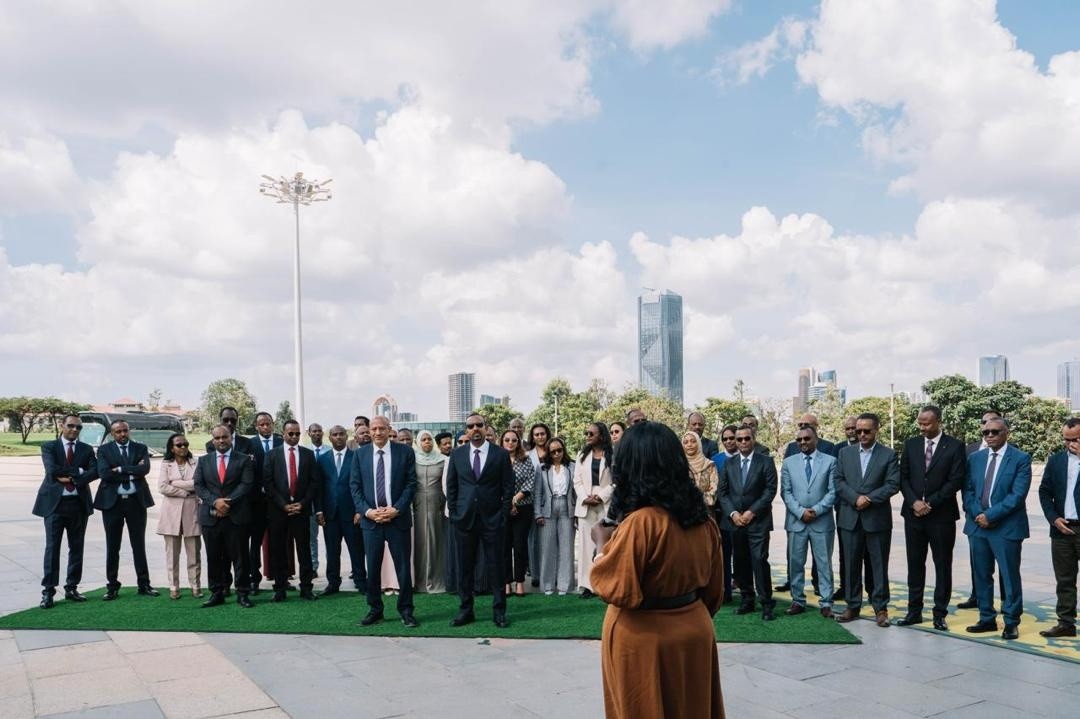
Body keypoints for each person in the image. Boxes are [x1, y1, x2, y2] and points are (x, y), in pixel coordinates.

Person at [590, 421, 726, 719]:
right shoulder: (703, 521)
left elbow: (615, 587)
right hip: (695, 631)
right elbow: (715, 593)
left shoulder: (641, 523)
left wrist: (601, 545)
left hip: (643, 640)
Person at [896, 405, 965, 630]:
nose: (922, 427)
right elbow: (903, 477)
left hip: (941, 517)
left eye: (926, 423)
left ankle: (939, 613)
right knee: (915, 564)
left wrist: (930, 503)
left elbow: (955, 480)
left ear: (938, 422)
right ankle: (914, 611)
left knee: (942, 565)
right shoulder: (911, 444)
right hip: (913, 515)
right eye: (920, 423)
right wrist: (914, 502)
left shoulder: (955, 446)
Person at [963, 417, 1031, 640]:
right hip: (977, 527)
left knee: (1009, 576)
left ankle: (1011, 621)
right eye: (986, 432)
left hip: (1006, 527)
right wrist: (978, 515)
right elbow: (968, 491)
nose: (990, 436)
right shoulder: (975, 458)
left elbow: (1017, 496)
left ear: (1006, 433)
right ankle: (986, 618)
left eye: (995, 432)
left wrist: (990, 516)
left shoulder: (1021, 458)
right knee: (981, 574)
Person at [446, 413, 514, 627]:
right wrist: (455, 513)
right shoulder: (457, 454)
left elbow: (508, 486)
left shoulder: (500, 454)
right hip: (464, 519)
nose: (475, 429)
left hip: (493, 519)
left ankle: (499, 611)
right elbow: (451, 486)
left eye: (479, 425)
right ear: (466, 430)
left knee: (496, 567)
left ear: (485, 427)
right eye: (470, 426)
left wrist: (503, 514)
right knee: (465, 567)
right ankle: (466, 610)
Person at [351, 416, 419, 627]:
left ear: (389, 430)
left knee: (403, 569)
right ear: (369, 431)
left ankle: (406, 611)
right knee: (372, 568)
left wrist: (396, 509)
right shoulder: (360, 454)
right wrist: (368, 512)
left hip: (397, 520)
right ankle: (375, 609)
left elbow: (411, 484)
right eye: (374, 429)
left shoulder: (405, 452)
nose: (378, 432)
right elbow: (355, 487)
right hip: (372, 522)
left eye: (382, 428)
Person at [834, 413, 900, 627]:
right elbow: (838, 481)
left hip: (877, 519)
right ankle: (852, 606)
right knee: (851, 565)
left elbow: (893, 484)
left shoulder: (888, 454)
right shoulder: (844, 453)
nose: (861, 434)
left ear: (876, 430)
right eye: (858, 430)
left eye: (866, 431)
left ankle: (880, 608)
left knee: (879, 566)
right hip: (850, 518)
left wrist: (869, 499)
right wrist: (855, 498)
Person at [33, 414, 98, 608]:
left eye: (78, 427)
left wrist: (72, 476)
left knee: (77, 548)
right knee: (52, 548)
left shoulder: (86, 449)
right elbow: (52, 470)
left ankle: (72, 587)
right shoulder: (49, 447)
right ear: (62, 425)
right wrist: (80, 471)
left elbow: (95, 471)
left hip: (78, 504)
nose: (74, 430)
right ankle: (48, 591)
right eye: (71, 426)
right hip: (55, 505)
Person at [717, 425, 778, 620]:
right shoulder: (729, 463)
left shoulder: (766, 461)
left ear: (753, 439)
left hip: (758, 521)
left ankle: (766, 603)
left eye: (746, 438)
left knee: (759, 560)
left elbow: (770, 490)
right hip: (736, 523)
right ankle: (747, 599)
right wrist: (733, 513)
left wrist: (752, 512)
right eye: (739, 439)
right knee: (740, 561)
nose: (743, 442)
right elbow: (722, 492)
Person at [95, 420, 158, 600]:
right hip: (112, 504)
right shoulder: (104, 450)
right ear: (112, 434)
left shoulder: (140, 448)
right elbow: (104, 473)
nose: (122, 434)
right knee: (112, 545)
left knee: (138, 544)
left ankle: (144, 584)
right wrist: (133, 472)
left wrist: (120, 469)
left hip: (136, 502)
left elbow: (144, 469)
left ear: (129, 431)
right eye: (118, 432)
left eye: (125, 431)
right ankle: (112, 586)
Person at [194, 425, 256, 608]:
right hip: (211, 517)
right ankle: (217, 592)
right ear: (212, 440)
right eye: (217, 438)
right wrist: (215, 502)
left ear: (231, 438)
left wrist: (227, 502)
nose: (221, 440)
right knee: (213, 557)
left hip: (237, 516)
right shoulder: (203, 460)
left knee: (241, 557)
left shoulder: (244, 459)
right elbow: (198, 485)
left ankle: (243, 593)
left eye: (225, 437)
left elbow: (246, 484)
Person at [780, 426, 837, 617]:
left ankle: (826, 602)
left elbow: (833, 491)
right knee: (795, 563)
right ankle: (797, 600)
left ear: (816, 439)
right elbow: (786, 492)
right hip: (796, 522)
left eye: (806, 438)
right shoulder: (788, 463)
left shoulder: (830, 461)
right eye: (799, 440)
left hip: (822, 522)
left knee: (824, 564)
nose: (802, 442)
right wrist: (800, 512)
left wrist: (817, 510)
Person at [263, 420, 320, 601]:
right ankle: (280, 589)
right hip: (278, 511)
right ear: (283, 434)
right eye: (291, 433)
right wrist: (283, 505)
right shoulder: (272, 455)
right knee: (278, 551)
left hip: (301, 511)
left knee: (304, 551)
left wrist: (302, 503)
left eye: (297, 434)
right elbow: (268, 483)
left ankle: (306, 588)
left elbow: (314, 483)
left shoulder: (308, 455)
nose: (294, 437)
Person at [958, 409, 1006, 610]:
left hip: (1002, 520)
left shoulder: (1013, 453)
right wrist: (975, 512)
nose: (989, 430)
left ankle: (1006, 602)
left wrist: (991, 515)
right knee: (978, 564)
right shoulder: (970, 450)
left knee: (1005, 566)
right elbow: (965, 485)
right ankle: (977, 597)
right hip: (975, 519)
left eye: (994, 424)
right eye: (985, 424)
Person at [1037, 417, 1080, 638]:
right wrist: (1053, 518)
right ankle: (1066, 623)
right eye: (1066, 439)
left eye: (1076, 439)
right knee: (1064, 579)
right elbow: (1044, 491)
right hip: (1062, 529)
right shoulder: (1056, 461)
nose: (1070, 444)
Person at [314, 425, 365, 595]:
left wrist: (360, 510)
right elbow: (319, 487)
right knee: (332, 551)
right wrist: (319, 510)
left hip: (352, 513)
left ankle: (360, 581)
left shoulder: (356, 457)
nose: (338, 437)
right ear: (329, 438)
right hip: (330, 514)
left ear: (346, 436)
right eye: (334, 434)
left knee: (356, 550)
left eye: (341, 434)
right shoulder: (322, 459)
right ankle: (333, 583)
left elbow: (362, 485)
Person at [157, 433, 202, 600]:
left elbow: (198, 483)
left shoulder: (196, 462)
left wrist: (175, 483)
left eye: (185, 444)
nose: (183, 447)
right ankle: (173, 586)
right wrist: (185, 492)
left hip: (192, 510)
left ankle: (195, 586)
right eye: (179, 445)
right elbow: (162, 487)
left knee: (194, 553)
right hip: (171, 513)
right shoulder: (166, 464)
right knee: (172, 554)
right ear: (172, 448)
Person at [577, 424, 615, 598]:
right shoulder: (582, 455)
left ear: (601, 435)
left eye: (591, 433)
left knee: (606, 545)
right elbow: (577, 481)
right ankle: (587, 585)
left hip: (605, 502)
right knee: (586, 545)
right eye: (586, 433)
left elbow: (616, 481)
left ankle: (605, 584)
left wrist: (601, 496)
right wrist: (585, 497)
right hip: (586, 503)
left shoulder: (612, 454)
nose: (588, 436)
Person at [534, 437, 576, 595]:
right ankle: (547, 585)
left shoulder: (572, 466)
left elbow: (576, 491)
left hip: (567, 507)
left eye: (559, 450)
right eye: (553, 451)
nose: (557, 454)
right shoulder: (542, 468)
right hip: (548, 509)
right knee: (547, 548)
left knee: (567, 547)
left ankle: (564, 585)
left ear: (564, 450)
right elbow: (538, 492)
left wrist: (577, 513)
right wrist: (538, 513)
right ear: (548, 453)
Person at [248, 411, 282, 593]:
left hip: (277, 501)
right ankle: (254, 579)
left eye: (268, 423)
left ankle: (280, 578)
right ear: (256, 426)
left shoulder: (281, 442)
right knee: (255, 543)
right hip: (256, 502)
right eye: (262, 424)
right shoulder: (250, 444)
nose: (266, 427)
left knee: (278, 541)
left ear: (273, 424)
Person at [412, 430, 447, 593]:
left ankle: (438, 579)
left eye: (429, 439)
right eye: (423, 439)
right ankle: (419, 581)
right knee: (419, 541)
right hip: (417, 503)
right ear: (418, 442)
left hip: (437, 504)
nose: (427, 442)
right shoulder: (413, 459)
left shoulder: (442, 460)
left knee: (436, 540)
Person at [502, 429, 534, 597]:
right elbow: (493, 483)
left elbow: (530, 481)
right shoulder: (496, 459)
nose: (510, 443)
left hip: (523, 507)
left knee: (520, 546)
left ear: (518, 442)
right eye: (507, 440)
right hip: (502, 508)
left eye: (514, 440)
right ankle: (506, 583)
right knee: (505, 546)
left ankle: (520, 582)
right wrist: (508, 503)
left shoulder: (526, 459)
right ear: (502, 441)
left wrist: (514, 500)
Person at [306, 422, 328, 578]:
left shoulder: (329, 451)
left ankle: (332, 566)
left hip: (327, 499)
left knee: (331, 538)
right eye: (314, 431)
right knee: (311, 537)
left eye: (319, 431)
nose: (317, 433)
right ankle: (313, 566)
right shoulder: (305, 452)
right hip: (310, 500)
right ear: (309, 433)